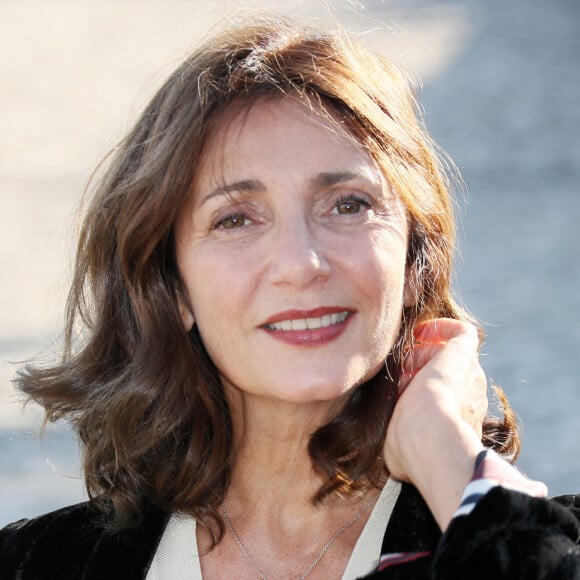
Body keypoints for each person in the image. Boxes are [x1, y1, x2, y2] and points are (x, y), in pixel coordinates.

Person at [1, 13, 579, 580]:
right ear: (171, 287)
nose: (302, 265)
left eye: (347, 205)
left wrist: (443, 452)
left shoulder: (541, 544)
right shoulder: (37, 564)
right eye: (235, 219)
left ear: (412, 262)